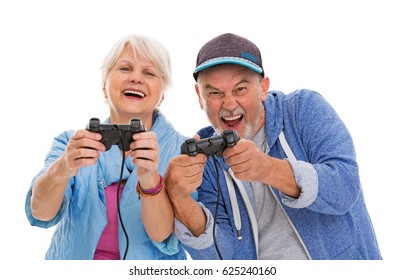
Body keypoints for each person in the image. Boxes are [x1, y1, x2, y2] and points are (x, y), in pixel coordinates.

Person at [165, 33, 382, 260]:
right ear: (200, 97)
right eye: (215, 93)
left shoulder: (303, 109)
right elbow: (225, 260)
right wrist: (179, 198)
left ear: (264, 88)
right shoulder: (205, 159)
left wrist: (268, 169)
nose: (229, 104)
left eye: (240, 89)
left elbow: (345, 186)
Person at [25, 34, 188, 260]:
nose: (136, 79)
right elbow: (40, 213)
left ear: (161, 96)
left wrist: (150, 179)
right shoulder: (69, 144)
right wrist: (64, 166)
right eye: (125, 68)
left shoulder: (183, 151)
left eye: (149, 73)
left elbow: (166, 238)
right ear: (104, 87)